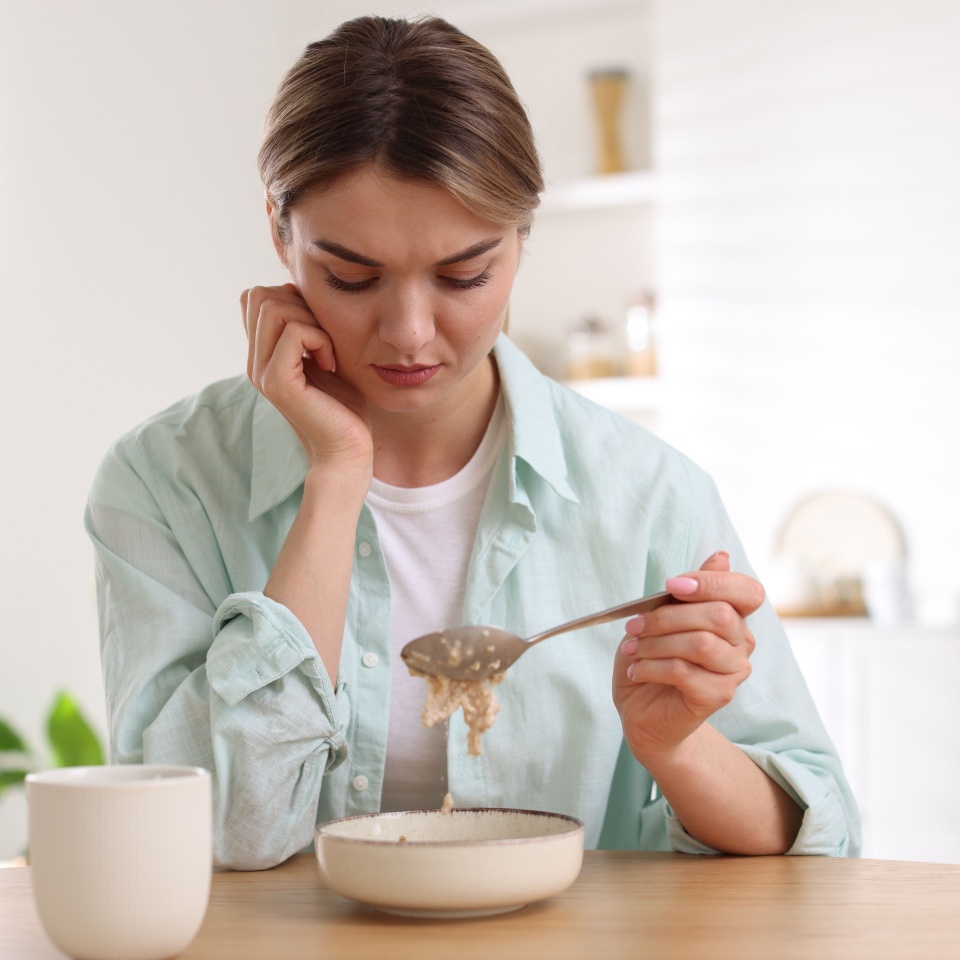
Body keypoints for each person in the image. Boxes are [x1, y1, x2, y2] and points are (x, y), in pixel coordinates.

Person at [85, 15, 860, 870]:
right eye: (351, 276)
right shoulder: (166, 484)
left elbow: (820, 839)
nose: (410, 333)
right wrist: (337, 476)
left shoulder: (647, 495)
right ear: (279, 232)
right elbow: (202, 839)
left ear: (523, 238)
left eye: (464, 275)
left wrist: (677, 748)